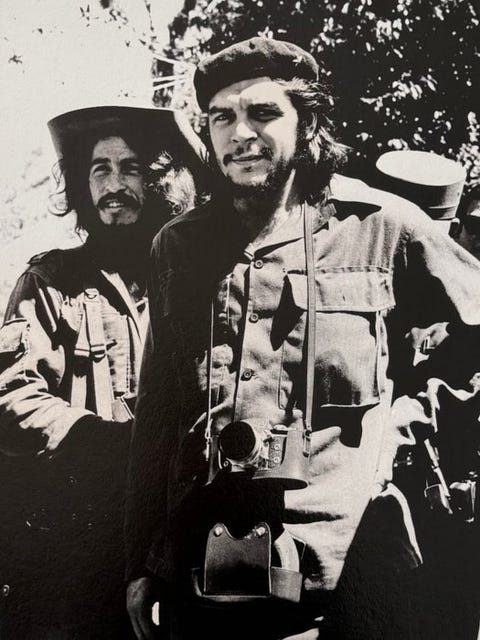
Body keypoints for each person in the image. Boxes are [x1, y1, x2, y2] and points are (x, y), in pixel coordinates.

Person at [125, 38, 480, 640]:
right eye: (222, 117)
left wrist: (410, 419)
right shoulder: (177, 247)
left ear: (307, 122)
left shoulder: (380, 227)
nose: (241, 134)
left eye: (263, 113)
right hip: (205, 577)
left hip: (349, 580)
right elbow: (156, 414)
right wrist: (142, 560)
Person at [0, 105, 203, 639]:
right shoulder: (49, 281)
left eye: (130, 168)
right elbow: (14, 397)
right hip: (78, 543)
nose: (114, 185)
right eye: (99, 170)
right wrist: (116, 444)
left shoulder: (198, 281)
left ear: (161, 180)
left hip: (179, 539)